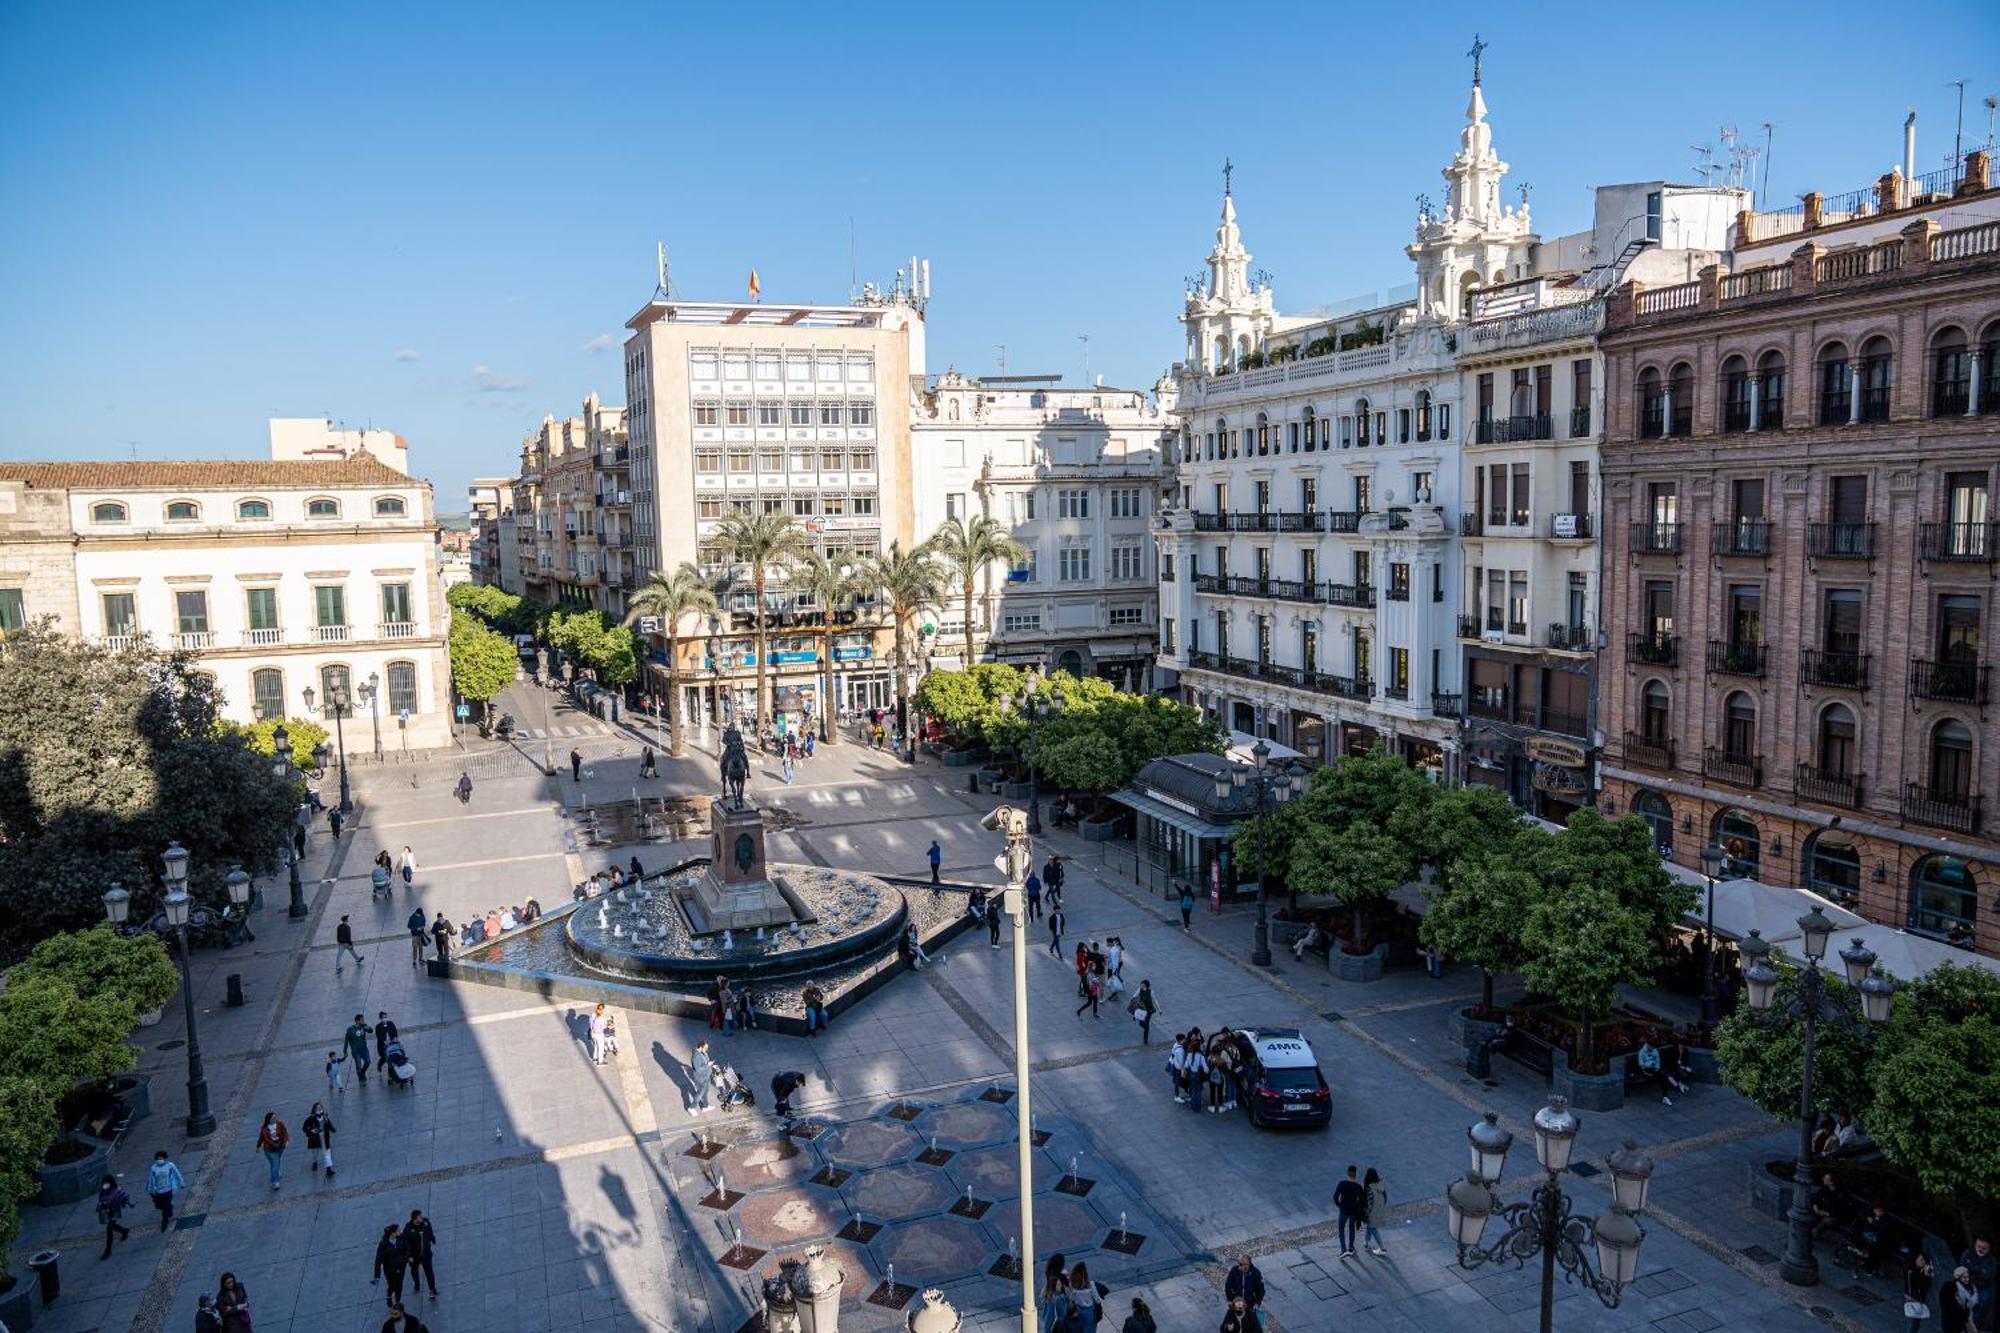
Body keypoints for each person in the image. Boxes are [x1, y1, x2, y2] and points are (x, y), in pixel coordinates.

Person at [1960, 1238, 1995, 1332]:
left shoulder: (1992, 1262)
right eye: (1978, 1246)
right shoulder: (1968, 1253)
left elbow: (1985, 1277)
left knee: (1981, 1303)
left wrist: (1972, 1273)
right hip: (1966, 1284)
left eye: (1984, 1248)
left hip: (1983, 1288)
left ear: (1989, 1249)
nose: (1980, 1250)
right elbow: (1961, 1269)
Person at [145, 1150, 185, 1231]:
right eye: (158, 1158)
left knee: (164, 1209)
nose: (160, 1160)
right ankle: (169, 1208)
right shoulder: (153, 1168)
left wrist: (182, 1183)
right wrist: (149, 1189)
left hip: (168, 1190)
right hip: (158, 1191)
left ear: (165, 1158)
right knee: (160, 1206)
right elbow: (151, 1179)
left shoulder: (170, 1166)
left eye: (161, 1158)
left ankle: (164, 1223)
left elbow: (177, 1174)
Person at [1334, 1164, 1368, 1258]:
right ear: (1355, 1175)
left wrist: (1339, 1205)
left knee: (1341, 1229)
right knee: (1352, 1228)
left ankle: (1343, 1249)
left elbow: (1335, 1197)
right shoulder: (1358, 1187)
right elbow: (1362, 1202)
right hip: (1353, 1212)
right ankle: (1351, 1248)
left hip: (1343, 1210)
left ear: (1347, 1174)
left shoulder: (1342, 1184)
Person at [405, 1209, 440, 1299]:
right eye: (419, 1217)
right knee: (414, 1270)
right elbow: (406, 1243)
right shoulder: (408, 1229)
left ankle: (432, 1289)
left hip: (426, 1254)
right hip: (414, 1255)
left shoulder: (425, 1223)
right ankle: (416, 1283)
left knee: (429, 1272)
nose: (422, 1218)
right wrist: (409, 1256)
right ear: (414, 1219)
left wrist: (432, 1238)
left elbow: (430, 1230)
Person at [373, 1222, 409, 1309]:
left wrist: (407, 1258)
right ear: (393, 1233)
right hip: (390, 1270)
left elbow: (407, 1248)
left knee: (399, 1285)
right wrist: (377, 1276)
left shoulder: (401, 1238)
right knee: (392, 1285)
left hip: (401, 1267)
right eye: (398, 1230)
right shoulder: (383, 1245)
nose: (400, 1231)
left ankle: (397, 1302)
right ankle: (389, 1295)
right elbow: (378, 1260)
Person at [96, 1173, 132, 1257]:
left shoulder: (116, 1190)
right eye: (104, 1183)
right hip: (107, 1211)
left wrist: (128, 1203)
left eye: (106, 1183)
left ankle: (108, 1250)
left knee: (109, 1229)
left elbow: (123, 1196)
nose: (104, 1185)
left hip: (114, 1211)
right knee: (112, 1226)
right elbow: (101, 1200)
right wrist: (99, 1207)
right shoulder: (103, 1190)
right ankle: (124, 1231)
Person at [256, 1111, 289, 1190]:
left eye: (275, 1117)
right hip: (270, 1149)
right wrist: (258, 1146)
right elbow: (261, 1138)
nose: (275, 1119)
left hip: (280, 1146)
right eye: (273, 1118)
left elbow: (285, 1133)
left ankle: (277, 1172)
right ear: (269, 1119)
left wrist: (286, 1141)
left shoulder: (280, 1124)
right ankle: (275, 1182)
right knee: (275, 1164)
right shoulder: (264, 1129)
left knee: (276, 1162)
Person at [303, 1101, 336, 1178]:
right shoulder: (311, 1118)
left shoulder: (325, 1116)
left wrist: (332, 1129)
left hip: (324, 1138)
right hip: (315, 1138)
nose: (319, 1109)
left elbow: (329, 1123)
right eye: (318, 1108)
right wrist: (311, 1131)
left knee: (327, 1153)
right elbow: (304, 1127)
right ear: (314, 1109)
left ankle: (328, 1169)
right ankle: (315, 1161)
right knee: (315, 1152)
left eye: (320, 1107)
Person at [1362, 1166, 1389, 1256]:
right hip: (1380, 1209)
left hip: (1373, 1212)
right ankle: (1366, 1243)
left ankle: (1382, 1248)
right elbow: (1385, 1197)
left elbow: (1369, 1204)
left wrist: (1366, 1214)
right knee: (1370, 1227)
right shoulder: (1380, 1183)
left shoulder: (1369, 1188)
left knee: (1373, 1228)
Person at [1909, 1252, 1936, 1333]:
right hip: (1914, 1299)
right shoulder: (1912, 1271)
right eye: (1921, 1260)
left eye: (1924, 1260)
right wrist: (1926, 1275)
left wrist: (1928, 1275)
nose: (1923, 1262)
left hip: (1919, 1299)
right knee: (1914, 1323)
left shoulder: (1921, 1270)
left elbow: (1927, 1286)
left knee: (1915, 1322)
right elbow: (1921, 1285)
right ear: (1915, 1260)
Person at [1945, 1267, 1978, 1333]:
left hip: (1965, 1317)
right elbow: (1969, 1304)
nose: (1967, 1279)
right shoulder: (1958, 1288)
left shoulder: (1966, 1287)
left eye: (1968, 1277)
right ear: (1959, 1277)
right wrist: (1975, 1294)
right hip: (1961, 1319)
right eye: (1964, 1277)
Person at [346, 1013, 373, 1085]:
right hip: (356, 1050)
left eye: (363, 1019)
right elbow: (346, 1040)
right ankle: (361, 1077)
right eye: (362, 1020)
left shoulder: (364, 1026)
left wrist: (368, 1028)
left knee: (368, 1061)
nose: (363, 1021)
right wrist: (345, 1051)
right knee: (358, 1065)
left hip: (364, 1048)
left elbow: (371, 1031)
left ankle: (363, 1072)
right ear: (357, 1021)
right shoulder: (350, 1030)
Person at [1130, 981, 1157, 1045]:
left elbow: (1155, 1000)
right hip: (1141, 1010)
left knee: (1147, 1025)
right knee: (1141, 1023)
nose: (1140, 986)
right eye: (1141, 985)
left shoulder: (1151, 992)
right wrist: (1133, 1000)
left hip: (1149, 1010)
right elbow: (1134, 996)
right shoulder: (1139, 990)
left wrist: (1159, 1009)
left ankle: (1145, 1038)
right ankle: (1146, 1028)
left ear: (1145, 986)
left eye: (1142, 985)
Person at [691, 1041, 714, 1115]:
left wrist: (712, 1066)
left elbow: (705, 1062)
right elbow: (698, 1069)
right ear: (700, 1047)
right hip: (701, 1078)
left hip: (706, 1076)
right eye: (705, 1048)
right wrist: (708, 1065)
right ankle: (692, 1107)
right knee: (700, 1093)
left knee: (706, 1091)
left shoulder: (703, 1052)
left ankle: (705, 1106)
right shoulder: (696, 1056)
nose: (707, 1049)